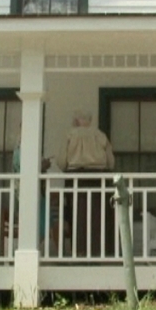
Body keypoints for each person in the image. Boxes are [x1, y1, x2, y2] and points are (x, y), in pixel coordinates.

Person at [56, 110, 115, 257]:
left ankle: (80, 250)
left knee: (77, 215)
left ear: (76, 120)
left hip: (76, 178)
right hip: (98, 178)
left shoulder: (70, 135)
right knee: (97, 215)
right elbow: (111, 163)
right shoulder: (100, 136)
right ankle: (97, 250)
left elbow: (61, 162)